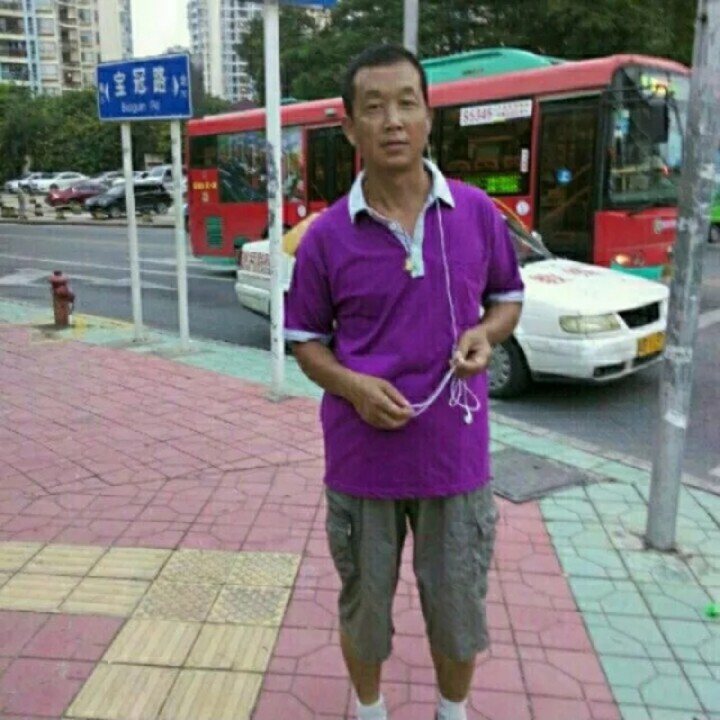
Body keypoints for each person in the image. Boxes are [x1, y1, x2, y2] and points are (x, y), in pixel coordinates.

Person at [284, 43, 524, 720]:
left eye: (406, 104)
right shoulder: (327, 236)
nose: (393, 120)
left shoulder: (475, 213)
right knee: (365, 609)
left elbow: (507, 299)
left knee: (458, 608)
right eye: (374, 107)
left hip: (456, 458)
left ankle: (453, 711)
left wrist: (487, 334)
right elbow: (305, 341)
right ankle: (370, 709)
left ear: (428, 116)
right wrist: (354, 387)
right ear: (349, 126)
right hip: (363, 462)